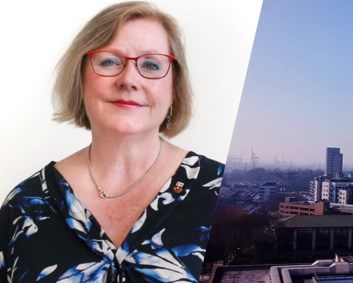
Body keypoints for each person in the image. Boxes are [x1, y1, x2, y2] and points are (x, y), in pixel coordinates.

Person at [0, 2, 222, 282]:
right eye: (109, 61)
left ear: (174, 88)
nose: (129, 79)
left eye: (151, 64)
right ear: (80, 78)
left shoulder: (218, 194)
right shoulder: (22, 205)